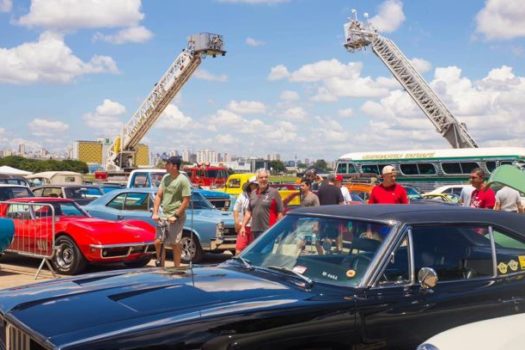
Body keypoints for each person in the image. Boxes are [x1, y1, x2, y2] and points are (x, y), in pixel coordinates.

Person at [152, 156, 191, 268]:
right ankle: (161, 265)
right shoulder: (165, 178)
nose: (165, 166)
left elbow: (186, 201)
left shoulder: (183, 180)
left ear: (174, 166)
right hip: (163, 215)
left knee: (174, 244)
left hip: (176, 216)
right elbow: (159, 195)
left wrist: (176, 215)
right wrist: (155, 212)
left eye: (167, 164)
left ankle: (177, 268)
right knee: (158, 242)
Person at [240, 168, 284, 239]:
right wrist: (243, 226)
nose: (264, 179)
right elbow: (248, 212)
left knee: (266, 250)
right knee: (256, 250)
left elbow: (280, 212)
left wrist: (279, 228)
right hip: (255, 230)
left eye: (266, 177)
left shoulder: (274, 192)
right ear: (257, 179)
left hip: (269, 230)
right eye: (261, 177)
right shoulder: (253, 193)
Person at [233, 176, 258, 254]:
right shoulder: (242, 195)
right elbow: (236, 209)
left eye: (257, 185)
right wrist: (237, 222)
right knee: (239, 250)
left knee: (253, 250)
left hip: (256, 227)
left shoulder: (260, 195)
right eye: (254, 184)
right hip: (244, 226)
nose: (256, 186)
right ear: (250, 185)